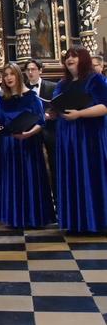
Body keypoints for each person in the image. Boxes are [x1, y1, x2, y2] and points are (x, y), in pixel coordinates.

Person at [52, 47, 107, 233]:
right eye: (67, 56)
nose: (69, 59)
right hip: (67, 136)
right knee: (72, 175)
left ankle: (98, 221)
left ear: (83, 59)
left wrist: (80, 114)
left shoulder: (95, 79)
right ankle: (76, 221)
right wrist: (53, 112)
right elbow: (57, 105)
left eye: (74, 56)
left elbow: (104, 106)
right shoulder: (62, 84)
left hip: (89, 135)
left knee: (91, 175)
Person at [0, 63, 55, 228]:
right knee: (13, 179)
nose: (8, 78)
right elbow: (1, 121)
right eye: (5, 75)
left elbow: (41, 121)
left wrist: (28, 134)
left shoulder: (32, 97)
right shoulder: (2, 100)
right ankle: (16, 218)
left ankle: (34, 217)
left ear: (18, 75)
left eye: (11, 74)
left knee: (31, 178)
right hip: (10, 143)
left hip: (29, 142)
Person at [24, 59, 58, 195]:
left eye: (33, 69)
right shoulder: (23, 88)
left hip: (50, 131)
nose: (30, 72)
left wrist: (51, 114)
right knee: (34, 167)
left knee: (55, 165)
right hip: (31, 132)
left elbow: (58, 106)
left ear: (40, 70)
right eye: (28, 70)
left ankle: (57, 198)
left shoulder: (52, 86)